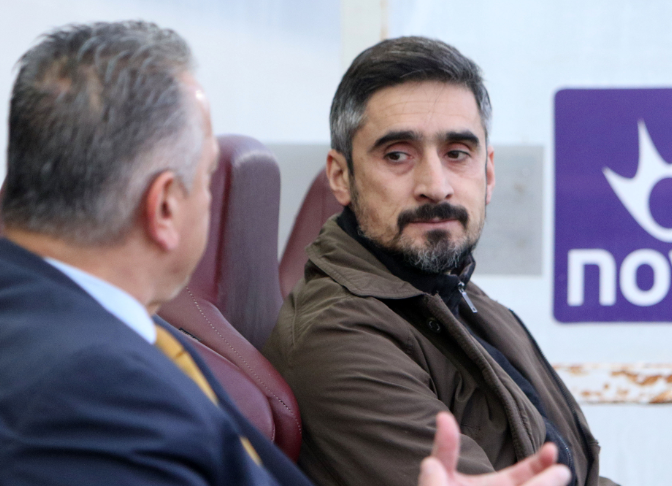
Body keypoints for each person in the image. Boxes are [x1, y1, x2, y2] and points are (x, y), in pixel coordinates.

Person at [0, 22, 572, 486]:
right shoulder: (87, 385)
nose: (436, 185)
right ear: (165, 207)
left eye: (457, 153)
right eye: (207, 180)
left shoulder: (92, 336)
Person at [264, 36, 617, 486]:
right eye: (397, 155)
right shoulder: (337, 339)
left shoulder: (455, 291)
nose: (435, 185)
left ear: (488, 172)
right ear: (341, 177)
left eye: (456, 154)